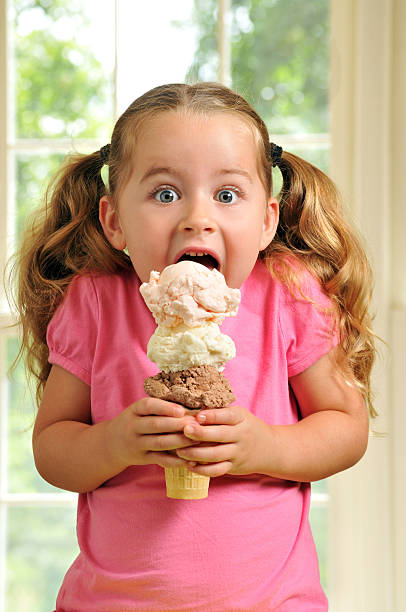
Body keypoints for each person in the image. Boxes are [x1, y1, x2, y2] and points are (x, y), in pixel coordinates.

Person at [11, 82, 376, 611]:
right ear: (115, 221)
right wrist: (115, 443)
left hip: (272, 602)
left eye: (227, 196)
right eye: (165, 194)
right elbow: (52, 449)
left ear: (267, 220)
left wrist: (263, 447)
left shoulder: (288, 294)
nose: (196, 218)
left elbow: (346, 428)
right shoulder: (95, 300)